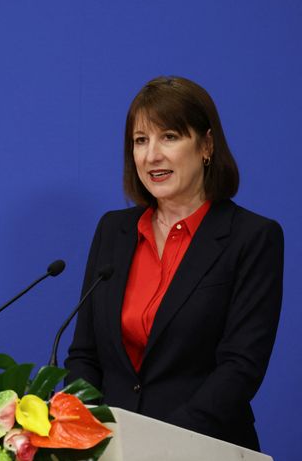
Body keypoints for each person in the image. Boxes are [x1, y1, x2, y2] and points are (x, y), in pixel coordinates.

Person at [65, 76, 283, 451]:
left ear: (207, 145)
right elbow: (84, 354)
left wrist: (161, 445)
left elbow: (240, 367)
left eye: (169, 136)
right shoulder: (113, 230)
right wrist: (87, 431)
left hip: (203, 446)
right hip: (111, 449)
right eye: (140, 140)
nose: (152, 156)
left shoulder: (252, 237)